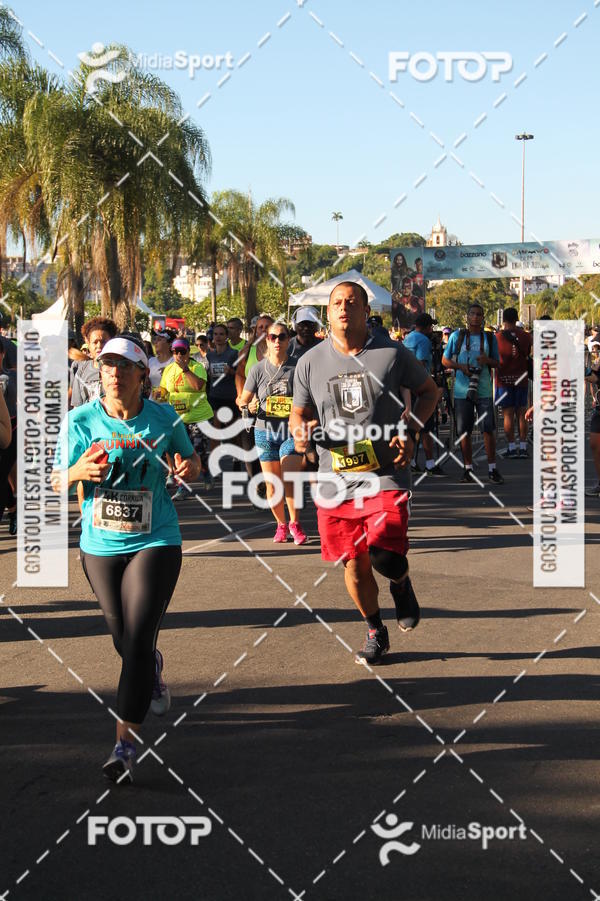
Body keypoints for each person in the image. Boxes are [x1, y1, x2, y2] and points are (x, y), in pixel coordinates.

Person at [52, 335, 201, 783]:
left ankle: (124, 744)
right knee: (125, 642)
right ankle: (151, 669)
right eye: (106, 365)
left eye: (122, 365)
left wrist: (185, 469)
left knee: (135, 641)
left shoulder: (163, 416)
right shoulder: (80, 419)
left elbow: (192, 464)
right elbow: (58, 480)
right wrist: (78, 472)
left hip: (156, 539)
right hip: (100, 546)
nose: (113, 372)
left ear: (142, 374)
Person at [290, 281, 439, 665]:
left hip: (385, 474)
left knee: (383, 555)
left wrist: (411, 430)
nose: (343, 308)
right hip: (334, 480)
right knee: (355, 566)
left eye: (351, 302)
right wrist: (300, 431)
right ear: (328, 313)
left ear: (365, 312)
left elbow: (430, 391)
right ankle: (375, 630)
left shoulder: (391, 353)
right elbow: (299, 413)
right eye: (336, 303)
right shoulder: (309, 361)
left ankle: (401, 583)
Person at [238, 322, 306, 544]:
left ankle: (295, 524)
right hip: (264, 431)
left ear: (289, 340)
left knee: (289, 478)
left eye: (282, 337)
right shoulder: (258, 369)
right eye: (273, 337)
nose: (277, 341)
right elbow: (242, 399)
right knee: (272, 483)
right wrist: (249, 403)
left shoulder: (297, 367)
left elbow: (308, 398)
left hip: (289, 431)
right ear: (266, 340)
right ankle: (281, 525)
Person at [442, 303, 504, 484]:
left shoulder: (489, 338)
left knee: (488, 429)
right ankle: (467, 468)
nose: (476, 317)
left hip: (483, 389)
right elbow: (445, 360)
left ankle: (492, 469)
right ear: (467, 317)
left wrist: (487, 360)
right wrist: (461, 367)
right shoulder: (457, 336)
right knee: (463, 431)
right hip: (462, 391)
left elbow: (497, 363)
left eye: (479, 314)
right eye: (472, 314)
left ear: (483, 318)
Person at [160, 337, 213, 495]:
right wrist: (158, 394)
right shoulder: (169, 369)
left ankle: (205, 470)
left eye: (182, 352)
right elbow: (164, 390)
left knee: (197, 451)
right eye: (175, 352)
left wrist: (185, 369)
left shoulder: (197, 366)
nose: (178, 355)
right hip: (176, 418)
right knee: (179, 452)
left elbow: (198, 386)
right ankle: (182, 485)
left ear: (188, 352)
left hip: (199, 416)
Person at [403, 314, 445, 476]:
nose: (432, 330)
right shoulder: (423, 340)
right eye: (431, 327)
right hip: (419, 389)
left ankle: (412, 461)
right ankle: (430, 463)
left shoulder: (409, 338)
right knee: (426, 427)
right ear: (427, 327)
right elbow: (419, 364)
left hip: (407, 387)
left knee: (413, 426)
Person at [496, 307, 532, 459]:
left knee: (508, 414)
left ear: (503, 319)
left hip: (503, 380)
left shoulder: (497, 337)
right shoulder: (525, 336)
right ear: (516, 318)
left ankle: (511, 447)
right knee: (522, 413)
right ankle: (523, 447)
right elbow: (528, 353)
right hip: (521, 378)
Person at [71, 317, 118, 407]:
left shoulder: (119, 369)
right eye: (95, 342)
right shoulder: (81, 370)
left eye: (103, 342)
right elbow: (77, 407)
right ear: (87, 343)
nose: (99, 346)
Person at [206, 324, 239, 423]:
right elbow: (207, 374)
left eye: (221, 334)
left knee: (232, 430)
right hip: (214, 395)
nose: (218, 337)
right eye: (215, 334)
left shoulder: (234, 353)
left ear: (226, 336)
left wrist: (230, 371)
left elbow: (241, 374)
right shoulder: (210, 355)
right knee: (216, 429)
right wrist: (208, 373)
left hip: (230, 395)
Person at [147, 329, 175, 396]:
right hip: (153, 403)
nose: (156, 342)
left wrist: (168, 373)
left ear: (170, 343)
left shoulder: (176, 362)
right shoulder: (150, 361)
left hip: (171, 404)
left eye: (159, 340)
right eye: (155, 339)